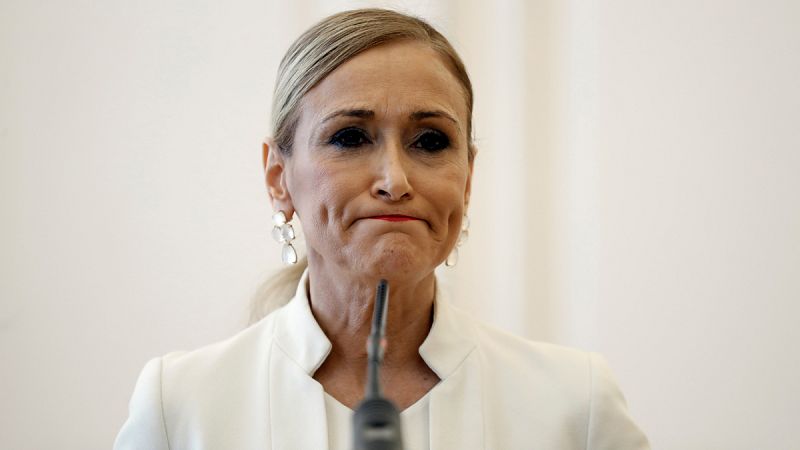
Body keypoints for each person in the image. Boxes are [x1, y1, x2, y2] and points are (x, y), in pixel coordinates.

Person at [114, 8, 650, 450]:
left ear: (467, 180)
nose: (395, 179)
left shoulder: (575, 405)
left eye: (431, 141)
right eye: (350, 137)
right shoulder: (180, 405)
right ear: (278, 178)